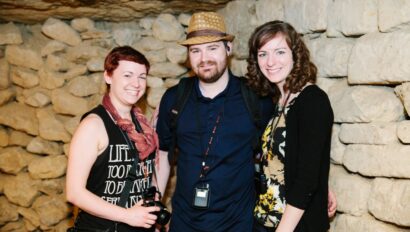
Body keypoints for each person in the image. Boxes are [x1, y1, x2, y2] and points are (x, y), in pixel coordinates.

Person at [155, 12, 275, 232]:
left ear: (228, 49)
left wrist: (317, 188)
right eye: (196, 50)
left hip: (239, 223)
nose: (204, 58)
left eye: (212, 48)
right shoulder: (174, 98)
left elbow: (279, 153)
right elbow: (163, 153)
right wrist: (154, 206)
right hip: (184, 223)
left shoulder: (256, 98)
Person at [247, 21, 334, 232]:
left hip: (294, 226)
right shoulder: (278, 100)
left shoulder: (312, 101)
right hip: (265, 220)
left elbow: (306, 179)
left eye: (279, 52)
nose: (270, 62)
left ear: (295, 54)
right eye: (263, 54)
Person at [66, 46, 161, 231]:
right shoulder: (93, 125)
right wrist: (127, 216)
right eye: (127, 75)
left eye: (142, 77)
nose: (136, 83)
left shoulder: (142, 126)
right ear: (108, 76)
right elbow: (74, 193)